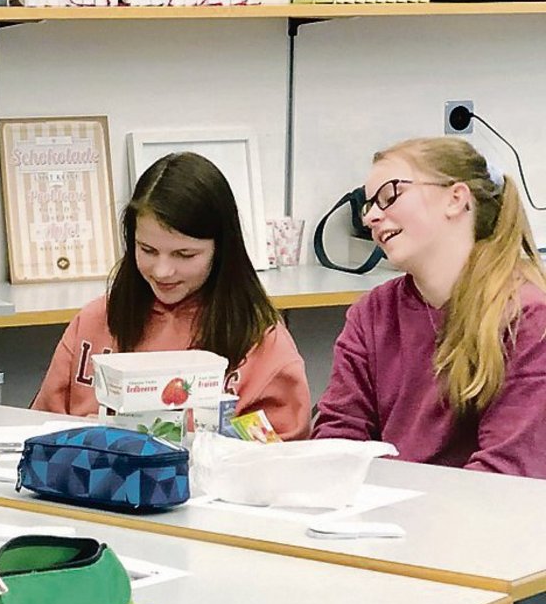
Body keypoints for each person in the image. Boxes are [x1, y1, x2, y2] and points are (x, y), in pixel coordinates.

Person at [33, 152, 311, 439]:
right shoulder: (95, 322)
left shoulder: (261, 342)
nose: (163, 271)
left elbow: (282, 463)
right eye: (147, 250)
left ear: (221, 250)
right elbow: (40, 432)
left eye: (184, 254)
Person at [314, 137, 546, 476]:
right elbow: (337, 441)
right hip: (388, 517)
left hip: (481, 520)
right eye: (369, 206)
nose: (371, 218)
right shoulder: (373, 313)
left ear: (456, 199)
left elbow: (506, 473)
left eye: (390, 195)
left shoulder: (528, 317)